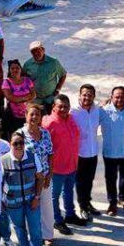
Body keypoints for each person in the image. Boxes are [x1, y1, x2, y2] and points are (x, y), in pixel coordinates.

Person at [0, 131, 47, 246]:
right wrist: (0, 201)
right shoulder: (3, 160)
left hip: (31, 199)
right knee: (19, 227)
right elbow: (0, 183)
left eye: (21, 143)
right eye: (15, 143)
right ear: (10, 144)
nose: (19, 146)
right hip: (13, 202)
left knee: (35, 227)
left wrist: (37, 197)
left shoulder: (33, 157)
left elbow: (40, 177)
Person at [42, 94, 82, 234]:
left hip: (72, 165)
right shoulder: (49, 123)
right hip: (57, 168)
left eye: (66, 106)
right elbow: (44, 146)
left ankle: (70, 215)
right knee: (54, 195)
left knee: (69, 191)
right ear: (54, 107)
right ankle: (57, 220)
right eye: (60, 106)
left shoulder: (71, 119)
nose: (64, 109)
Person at [100, 87, 124, 215]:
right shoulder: (104, 111)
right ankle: (112, 202)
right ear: (111, 97)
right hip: (110, 151)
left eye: (122, 97)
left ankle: (123, 199)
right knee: (110, 178)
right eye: (116, 97)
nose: (119, 99)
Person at [22, 104, 54, 243]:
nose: (34, 117)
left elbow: (50, 155)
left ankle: (47, 235)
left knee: (47, 207)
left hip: (45, 176)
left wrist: (49, 174)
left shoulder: (45, 133)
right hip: (29, 178)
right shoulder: (20, 135)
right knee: (31, 208)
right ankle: (34, 236)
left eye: (37, 115)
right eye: (32, 114)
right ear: (26, 116)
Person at [71, 84, 103, 219]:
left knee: (89, 180)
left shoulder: (97, 110)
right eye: (84, 94)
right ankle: (82, 207)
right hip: (79, 153)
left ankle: (88, 202)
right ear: (80, 95)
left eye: (90, 95)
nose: (87, 97)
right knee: (80, 181)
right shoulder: (73, 112)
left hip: (93, 151)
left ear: (93, 96)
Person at [23, 41, 66, 113]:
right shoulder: (27, 64)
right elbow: (23, 79)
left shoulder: (53, 62)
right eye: (33, 52)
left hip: (51, 98)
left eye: (38, 50)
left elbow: (63, 74)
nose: (36, 53)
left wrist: (58, 89)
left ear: (43, 50)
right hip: (35, 100)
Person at [1, 59, 35, 134]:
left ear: (21, 69)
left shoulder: (27, 80)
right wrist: (25, 98)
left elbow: (34, 95)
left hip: (27, 114)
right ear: (9, 70)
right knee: (16, 135)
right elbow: (10, 97)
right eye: (12, 68)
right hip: (13, 116)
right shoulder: (6, 82)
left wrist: (23, 100)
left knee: (28, 134)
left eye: (17, 68)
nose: (15, 70)